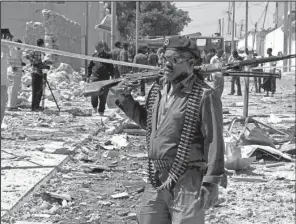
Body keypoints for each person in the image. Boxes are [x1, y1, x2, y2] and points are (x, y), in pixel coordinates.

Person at [112, 36, 226, 224]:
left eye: (174, 60)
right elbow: (148, 122)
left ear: (191, 63)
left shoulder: (205, 95)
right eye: (165, 59)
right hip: (157, 176)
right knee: (147, 218)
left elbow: (214, 140)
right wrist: (126, 99)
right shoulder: (157, 91)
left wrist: (212, 181)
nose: (167, 65)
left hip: (188, 178)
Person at [87, 41, 114, 115]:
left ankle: (101, 111)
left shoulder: (108, 56)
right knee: (94, 95)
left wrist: (112, 76)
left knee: (103, 96)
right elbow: (89, 67)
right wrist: (88, 76)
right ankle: (94, 108)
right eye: (96, 48)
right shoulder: (94, 56)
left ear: (102, 48)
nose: (97, 50)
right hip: (95, 78)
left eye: (99, 48)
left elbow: (111, 68)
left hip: (104, 79)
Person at [26, 38, 50, 111]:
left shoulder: (41, 52)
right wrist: (36, 63)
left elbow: (40, 63)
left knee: (40, 90)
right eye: (43, 44)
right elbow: (28, 56)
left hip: (40, 72)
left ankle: (37, 106)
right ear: (42, 44)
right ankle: (34, 107)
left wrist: (44, 65)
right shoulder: (35, 50)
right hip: (35, 72)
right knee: (36, 90)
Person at [6, 39, 29, 111]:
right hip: (15, 71)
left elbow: (12, 60)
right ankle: (11, 106)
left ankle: (11, 105)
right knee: (13, 89)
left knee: (12, 89)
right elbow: (21, 60)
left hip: (12, 70)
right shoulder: (15, 50)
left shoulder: (12, 50)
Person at [1, 42, 9, 126]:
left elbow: (5, 53)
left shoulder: (3, 58)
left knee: (2, 107)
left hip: (3, 85)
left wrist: (4, 45)